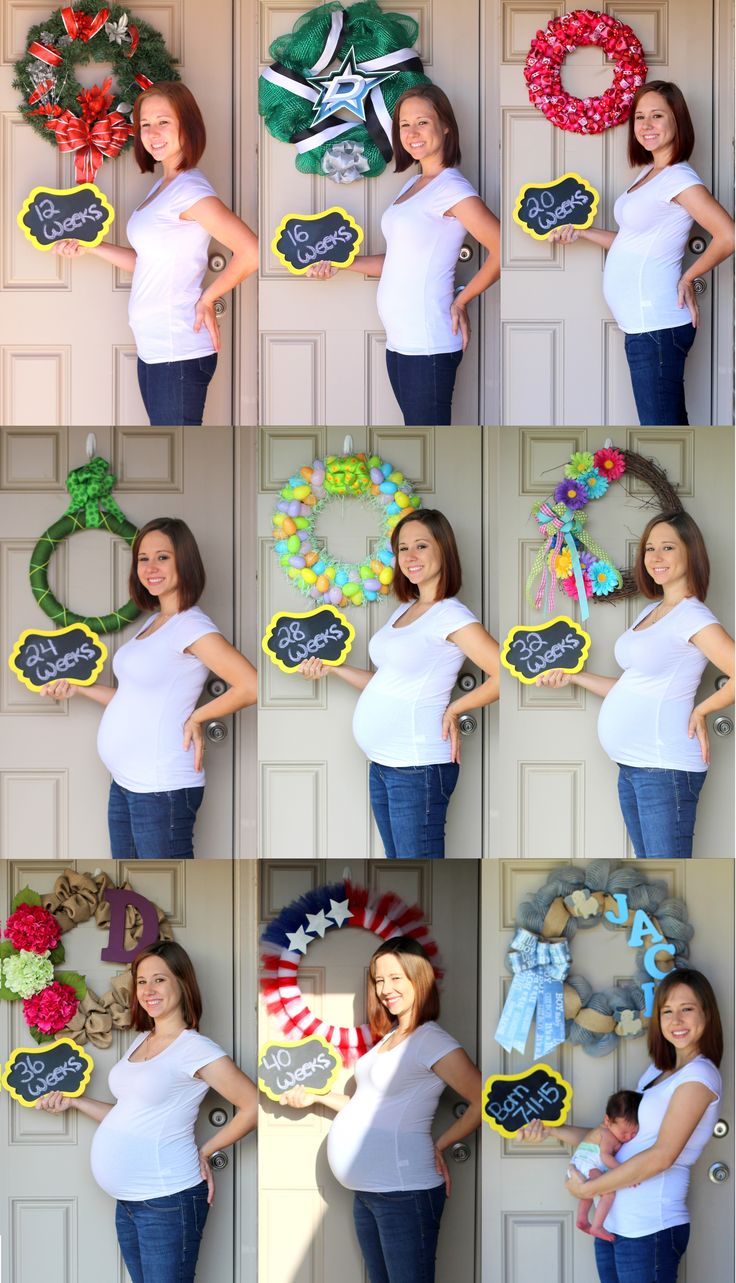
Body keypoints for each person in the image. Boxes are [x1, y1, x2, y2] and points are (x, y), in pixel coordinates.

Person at [35, 940, 257, 1283]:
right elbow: (131, 1115)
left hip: (168, 1200)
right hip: (129, 1203)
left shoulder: (195, 1049)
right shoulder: (142, 1041)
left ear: (182, 984)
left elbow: (253, 1105)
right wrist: (75, 1101)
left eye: (160, 980)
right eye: (141, 981)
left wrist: (207, 1150)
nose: (148, 990)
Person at [39, 517, 257, 858]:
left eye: (163, 557)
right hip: (126, 782)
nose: (150, 567)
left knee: (164, 892)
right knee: (132, 892)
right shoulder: (156, 622)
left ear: (184, 561)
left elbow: (251, 685)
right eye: (143, 558)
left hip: (161, 790)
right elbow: (134, 698)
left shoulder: (192, 626)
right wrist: (80, 689)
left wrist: (197, 717)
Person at [279, 936, 481, 1283]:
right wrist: (319, 1097)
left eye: (395, 978)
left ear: (420, 978)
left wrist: (441, 1144)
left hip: (404, 1193)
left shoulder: (431, 1040)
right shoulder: (389, 1038)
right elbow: (367, 1106)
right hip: (369, 1194)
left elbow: (484, 1099)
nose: (386, 989)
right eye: (378, 980)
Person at [53, 82, 258, 425]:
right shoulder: (165, 185)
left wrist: (209, 298)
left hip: (177, 350)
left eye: (163, 121)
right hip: (154, 348)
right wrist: (92, 246)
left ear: (186, 125)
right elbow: (147, 262)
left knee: (179, 463)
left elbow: (250, 251)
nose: (152, 132)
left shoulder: (191, 190)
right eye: (145, 124)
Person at [298, 508, 500, 857]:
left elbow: (506, 673)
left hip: (417, 767)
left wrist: (456, 708)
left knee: (418, 866)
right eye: (402, 548)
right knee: (400, 865)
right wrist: (334, 669)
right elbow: (387, 681)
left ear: (443, 549)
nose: (410, 556)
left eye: (421, 546)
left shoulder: (451, 615)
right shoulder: (405, 610)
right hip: (383, 764)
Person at [536, 510, 734, 857]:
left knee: (667, 872)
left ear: (691, 553)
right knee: (651, 868)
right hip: (632, 768)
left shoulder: (693, 616)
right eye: (649, 549)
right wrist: (575, 677)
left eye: (668, 548)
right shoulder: (652, 611)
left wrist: (703, 709)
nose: (655, 558)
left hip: (664, 770)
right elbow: (634, 686)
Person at [307, 85, 500, 424]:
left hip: (428, 345)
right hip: (401, 342)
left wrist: (461, 300)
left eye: (422, 122)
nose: (412, 133)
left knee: (432, 446)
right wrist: (339, 262)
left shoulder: (452, 188)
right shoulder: (413, 185)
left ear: (445, 127)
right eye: (404, 124)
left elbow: (503, 249)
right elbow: (396, 261)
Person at [549, 81, 735, 425]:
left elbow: (728, 235)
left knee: (663, 428)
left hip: (658, 328)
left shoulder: (680, 179)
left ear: (677, 120)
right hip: (645, 328)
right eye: (639, 117)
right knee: (663, 424)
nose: (646, 125)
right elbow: (632, 241)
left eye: (657, 116)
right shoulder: (652, 173)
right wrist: (583, 232)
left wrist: (689, 277)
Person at [521, 968, 723, 1283]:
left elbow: (662, 1156)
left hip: (649, 1228)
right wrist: (550, 1129)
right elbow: (611, 1137)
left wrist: (589, 1189)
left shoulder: (700, 1077)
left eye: (687, 1009)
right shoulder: (658, 1070)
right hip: (615, 1225)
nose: (676, 1020)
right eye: (667, 1011)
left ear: (706, 1014)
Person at [566, 1090, 641, 1241]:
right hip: (588, 1165)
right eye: (624, 1132)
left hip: (581, 1165)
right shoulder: (607, 1134)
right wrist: (625, 1172)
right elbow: (605, 1157)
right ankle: (597, 1226)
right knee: (608, 1192)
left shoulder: (611, 1130)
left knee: (589, 1192)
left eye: (633, 1133)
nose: (628, 1137)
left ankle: (582, 1219)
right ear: (607, 1121)